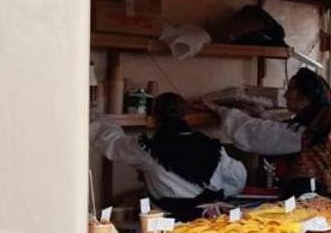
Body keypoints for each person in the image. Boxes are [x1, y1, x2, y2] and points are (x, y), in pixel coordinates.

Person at [90, 92, 248, 220]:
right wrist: (211, 195)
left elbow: (113, 143)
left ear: (152, 118)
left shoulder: (148, 150)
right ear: (186, 115)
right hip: (215, 220)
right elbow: (237, 179)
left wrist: (95, 116)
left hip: (176, 225)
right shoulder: (213, 145)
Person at [212, 67, 331, 157]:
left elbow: (255, 133)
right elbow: (281, 129)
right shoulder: (318, 121)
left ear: (303, 99)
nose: (286, 95)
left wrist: (219, 109)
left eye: (291, 90)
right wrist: (261, 113)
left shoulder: (304, 132)